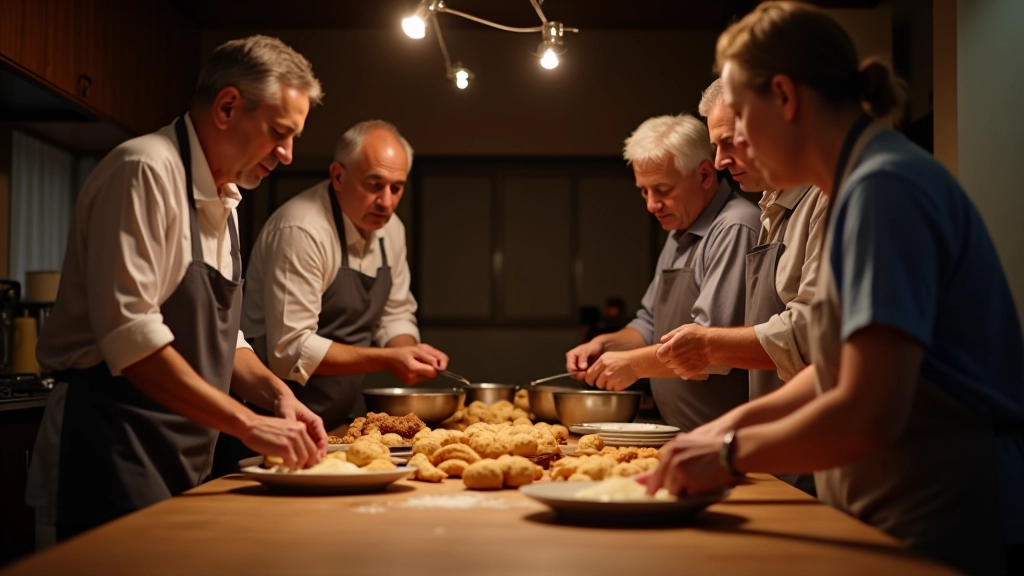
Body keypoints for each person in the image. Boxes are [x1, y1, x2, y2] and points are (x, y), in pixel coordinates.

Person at [645, 3, 1024, 574]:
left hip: (935, 516)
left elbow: (868, 412)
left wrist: (726, 453)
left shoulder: (883, 188)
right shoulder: (860, 185)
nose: (734, 150)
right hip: (887, 511)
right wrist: (725, 427)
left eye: (743, 118)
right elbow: (837, 369)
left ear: (786, 98)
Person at [26, 36, 328, 541]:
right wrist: (246, 424)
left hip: (182, 456)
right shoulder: (144, 171)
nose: (288, 155)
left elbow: (222, 340)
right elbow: (131, 337)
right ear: (228, 106)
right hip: (108, 447)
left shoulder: (226, 198)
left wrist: (277, 397)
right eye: (280, 133)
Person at [656, 79, 830, 493]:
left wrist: (729, 447)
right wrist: (732, 434)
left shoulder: (845, 193)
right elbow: (831, 363)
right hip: (786, 449)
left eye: (731, 142)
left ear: (785, 111)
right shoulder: (772, 207)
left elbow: (816, 346)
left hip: (832, 459)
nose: (719, 162)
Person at [239, 120, 449, 433]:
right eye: (374, 185)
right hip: (268, 418)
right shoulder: (302, 230)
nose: (387, 202)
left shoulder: (390, 229)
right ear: (338, 176)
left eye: (397, 187)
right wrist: (389, 359)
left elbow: (395, 314)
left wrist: (410, 352)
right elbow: (290, 351)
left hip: (333, 418)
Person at [565, 114, 761, 431]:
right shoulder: (679, 230)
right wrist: (605, 345)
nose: (652, 205)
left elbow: (710, 351)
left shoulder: (735, 227)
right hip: (686, 433)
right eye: (644, 191)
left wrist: (633, 365)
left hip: (728, 437)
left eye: (663, 189)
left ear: (705, 174)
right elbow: (649, 323)